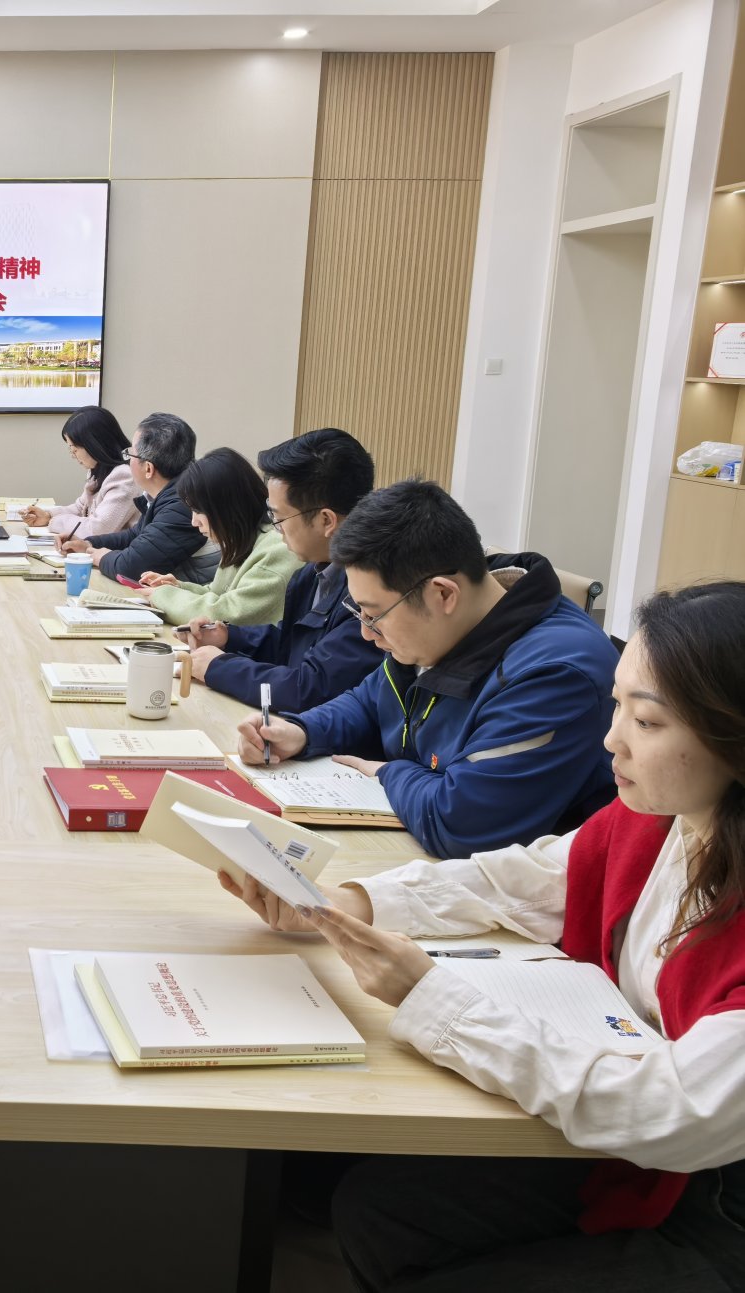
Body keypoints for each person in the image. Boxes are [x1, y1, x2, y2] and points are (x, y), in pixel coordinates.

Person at [221, 581, 745, 1290]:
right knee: (379, 1211)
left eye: (646, 721)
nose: (612, 738)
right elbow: (526, 878)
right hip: (645, 1155)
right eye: (618, 705)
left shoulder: (553, 668)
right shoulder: (665, 818)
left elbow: (668, 1112)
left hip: (714, 1204)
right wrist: (351, 903)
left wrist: (434, 1000)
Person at [236, 478, 618, 858]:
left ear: (443, 593)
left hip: (517, 883)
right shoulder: (450, 625)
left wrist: (388, 773)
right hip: (417, 848)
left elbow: (462, 823)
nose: (367, 633)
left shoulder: (556, 673)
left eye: (374, 615)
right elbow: (371, 700)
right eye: (359, 612)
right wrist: (301, 731)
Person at [185, 427, 380, 710]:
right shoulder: (311, 574)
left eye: (278, 517)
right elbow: (290, 644)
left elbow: (311, 687)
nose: (276, 528)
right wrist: (229, 637)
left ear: (326, 520)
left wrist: (219, 668)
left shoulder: (370, 594)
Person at [136, 446, 299, 627]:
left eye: (198, 510)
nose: (194, 522)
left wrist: (164, 596)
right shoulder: (243, 538)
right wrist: (179, 587)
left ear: (227, 506)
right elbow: (219, 594)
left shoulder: (277, 549)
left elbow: (227, 614)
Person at [57, 411, 218, 586]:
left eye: (130, 454)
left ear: (148, 468)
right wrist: (88, 543)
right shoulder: (171, 493)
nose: (126, 460)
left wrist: (97, 556)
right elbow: (135, 535)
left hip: (194, 597)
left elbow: (131, 568)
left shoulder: (182, 505)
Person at [21, 406, 137, 540]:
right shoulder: (99, 470)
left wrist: (54, 522)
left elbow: (97, 530)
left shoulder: (124, 476)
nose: (72, 455)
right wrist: (48, 515)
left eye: (74, 449)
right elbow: (80, 508)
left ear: (94, 444)